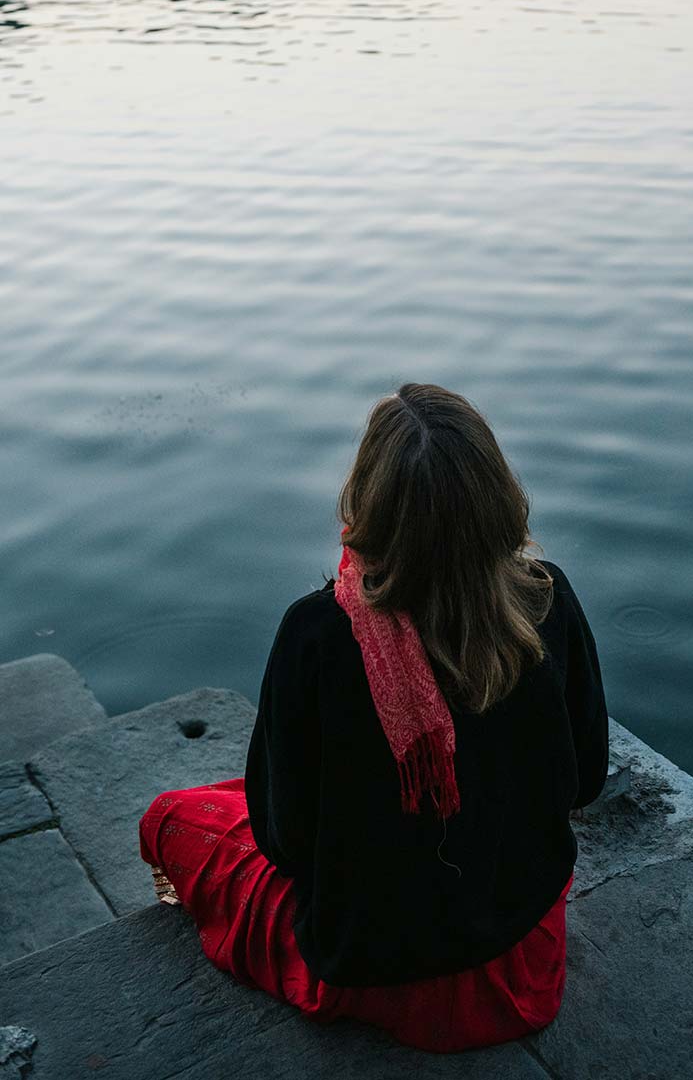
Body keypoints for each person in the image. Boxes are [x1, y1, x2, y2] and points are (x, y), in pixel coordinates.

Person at [138, 382, 609, 1053]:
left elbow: (284, 839)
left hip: (374, 965)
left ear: (369, 506)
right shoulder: (547, 599)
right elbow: (587, 778)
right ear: (499, 498)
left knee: (172, 817)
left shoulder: (317, 632)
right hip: (519, 950)